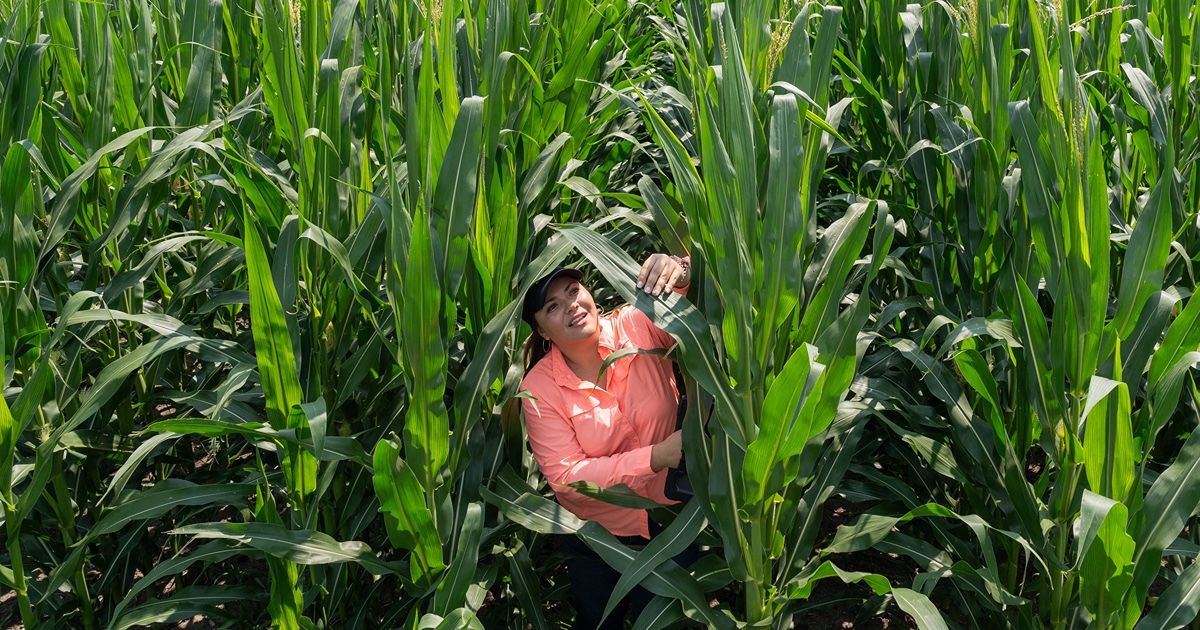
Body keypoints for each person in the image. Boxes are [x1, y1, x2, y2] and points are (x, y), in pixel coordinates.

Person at [519, 253, 694, 630]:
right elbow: (567, 476)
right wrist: (657, 456)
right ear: (543, 332)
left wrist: (681, 270)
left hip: (672, 523)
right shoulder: (539, 389)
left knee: (662, 623)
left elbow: (700, 307)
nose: (571, 306)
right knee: (598, 622)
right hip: (598, 540)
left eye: (573, 291)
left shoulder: (637, 324)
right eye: (553, 306)